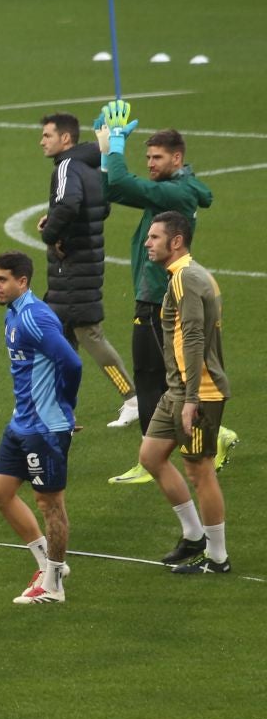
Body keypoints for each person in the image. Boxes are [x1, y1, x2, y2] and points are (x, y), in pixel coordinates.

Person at [97, 105, 224, 482]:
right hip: (151, 293)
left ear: (177, 158)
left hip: (158, 298)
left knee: (158, 377)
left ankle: (154, 456)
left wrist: (115, 146)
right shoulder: (177, 187)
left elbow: (121, 185)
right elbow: (112, 188)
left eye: (157, 157)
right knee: (157, 374)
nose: (150, 163)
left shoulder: (174, 192)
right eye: (147, 156)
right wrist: (107, 155)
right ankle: (187, 442)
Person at [0, 252, 83, 606]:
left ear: (22, 282)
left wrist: (66, 406)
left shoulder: (35, 317)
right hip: (20, 422)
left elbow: (71, 361)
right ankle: (48, 565)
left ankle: (54, 585)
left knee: (49, 503)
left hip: (45, 428)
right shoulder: (13, 316)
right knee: (0, 493)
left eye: (2, 279)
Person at [139, 212, 231, 574]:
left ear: (175, 242)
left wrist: (191, 399)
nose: (147, 243)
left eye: (154, 237)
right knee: (151, 455)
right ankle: (194, 535)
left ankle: (217, 557)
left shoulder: (186, 279)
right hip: (178, 389)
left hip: (199, 391)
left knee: (199, 470)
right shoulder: (186, 275)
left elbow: (193, 338)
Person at [37, 111, 136, 426]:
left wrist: (50, 234)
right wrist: (53, 222)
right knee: (61, 344)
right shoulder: (90, 166)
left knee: (90, 337)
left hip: (73, 270)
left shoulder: (67, 166)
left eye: (47, 135)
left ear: (65, 139)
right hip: (83, 263)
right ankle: (61, 411)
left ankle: (131, 398)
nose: (42, 141)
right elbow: (101, 207)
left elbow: (68, 204)